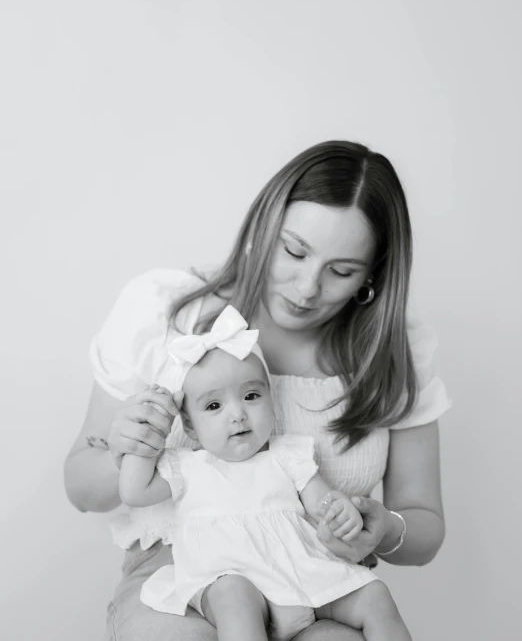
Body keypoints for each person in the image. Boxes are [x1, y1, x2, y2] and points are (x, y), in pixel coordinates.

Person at [64, 140, 450, 641]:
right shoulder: (166, 310)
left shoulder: (393, 348)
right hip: (185, 575)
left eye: (341, 271)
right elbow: (81, 488)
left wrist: (386, 527)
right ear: (262, 227)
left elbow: (423, 524)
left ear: (372, 275)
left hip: (314, 577)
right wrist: (126, 449)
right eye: (294, 250)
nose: (307, 287)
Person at [118, 305, 412, 641]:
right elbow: (133, 492)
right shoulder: (190, 467)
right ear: (189, 426)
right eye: (214, 406)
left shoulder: (288, 456)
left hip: (302, 580)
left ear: (272, 400)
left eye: (251, 396)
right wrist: (148, 431)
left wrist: (341, 513)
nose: (238, 414)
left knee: (375, 594)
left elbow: (323, 503)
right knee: (233, 593)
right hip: (234, 585)